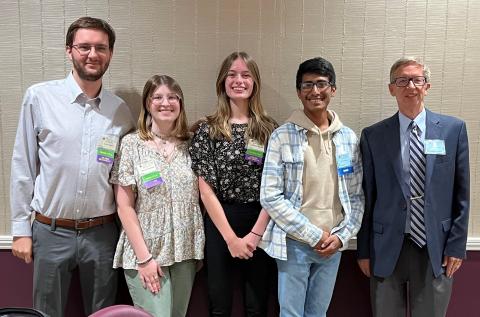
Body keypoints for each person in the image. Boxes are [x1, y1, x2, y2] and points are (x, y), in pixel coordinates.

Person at [10, 17, 135, 316]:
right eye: (84, 47)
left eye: (101, 48)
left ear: (110, 53)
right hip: (50, 230)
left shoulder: (120, 111)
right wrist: (20, 230)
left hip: (102, 233)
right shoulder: (39, 97)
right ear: (69, 51)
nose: (93, 54)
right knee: (47, 312)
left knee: (103, 312)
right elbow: (23, 165)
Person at [356, 57, 470, 317]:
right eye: (402, 80)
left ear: (427, 86)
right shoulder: (373, 136)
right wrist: (363, 249)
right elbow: (367, 196)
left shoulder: (453, 130)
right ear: (391, 88)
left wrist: (456, 246)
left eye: (417, 80)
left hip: (435, 247)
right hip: (386, 246)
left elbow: (462, 195)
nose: (410, 86)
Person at [259, 57, 364, 317]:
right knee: (291, 314)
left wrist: (341, 237)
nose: (315, 91)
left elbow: (357, 196)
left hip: (333, 244)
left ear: (333, 89)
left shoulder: (348, 138)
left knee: (318, 314)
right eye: (307, 85)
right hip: (295, 243)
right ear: (298, 92)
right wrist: (313, 235)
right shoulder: (282, 136)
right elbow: (270, 196)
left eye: (321, 84)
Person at [189, 51, 277, 317]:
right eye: (232, 75)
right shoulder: (208, 129)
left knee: (257, 304)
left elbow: (275, 186)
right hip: (219, 221)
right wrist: (230, 239)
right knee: (219, 305)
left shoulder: (270, 129)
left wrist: (254, 236)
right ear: (222, 82)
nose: (239, 80)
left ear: (255, 83)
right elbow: (205, 189)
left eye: (246, 75)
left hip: (260, 220)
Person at [111, 75, 204, 317]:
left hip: (185, 251)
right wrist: (144, 259)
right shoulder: (131, 144)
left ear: (181, 104)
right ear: (147, 103)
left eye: (173, 97)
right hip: (147, 251)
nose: (166, 103)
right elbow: (124, 206)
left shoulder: (192, 145)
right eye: (158, 97)